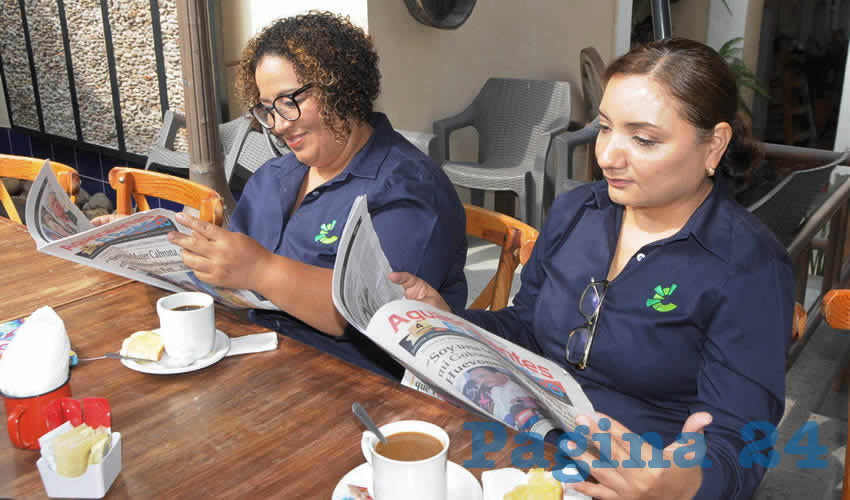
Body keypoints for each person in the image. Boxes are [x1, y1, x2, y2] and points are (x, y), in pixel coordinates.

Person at [391, 38, 794, 499]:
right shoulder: (578, 211)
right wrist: (447, 319)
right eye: (604, 128)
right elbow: (526, 326)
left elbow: (741, 442)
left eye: (643, 139)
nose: (608, 156)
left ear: (714, 145)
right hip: (525, 455)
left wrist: (685, 484)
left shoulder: (747, 265)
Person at [95, 12, 468, 380]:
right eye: (266, 109)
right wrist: (147, 245)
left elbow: (378, 317)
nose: (278, 125)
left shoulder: (409, 188)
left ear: (340, 87)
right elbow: (233, 280)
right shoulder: (273, 178)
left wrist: (260, 269)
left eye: (290, 100)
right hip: (258, 360)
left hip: (356, 387)